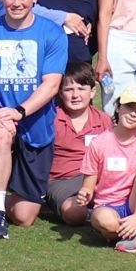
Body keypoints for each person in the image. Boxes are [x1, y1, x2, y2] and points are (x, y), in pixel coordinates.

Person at [0, 0, 72, 238]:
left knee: (25, 217)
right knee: (1, 135)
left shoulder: (52, 33)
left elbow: (51, 84)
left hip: (35, 123)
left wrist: (20, 111)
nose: (16, 3)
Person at [80, 85, 136, 252]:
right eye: (129, 106)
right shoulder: (99, 142)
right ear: (118, 106)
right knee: (104, 220)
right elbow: (88, 186)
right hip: (107, 206)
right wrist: (85, 194)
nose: (132, 114)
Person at [46, 64, 103, 226]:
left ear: (92, 92)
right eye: (69, 89)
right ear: (60, 92)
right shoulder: (52, 119)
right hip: (62, 181)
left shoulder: (103, 120)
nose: (75, 95)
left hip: (97, 179)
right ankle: (93, 212)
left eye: (81, 89)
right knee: (74, 213)